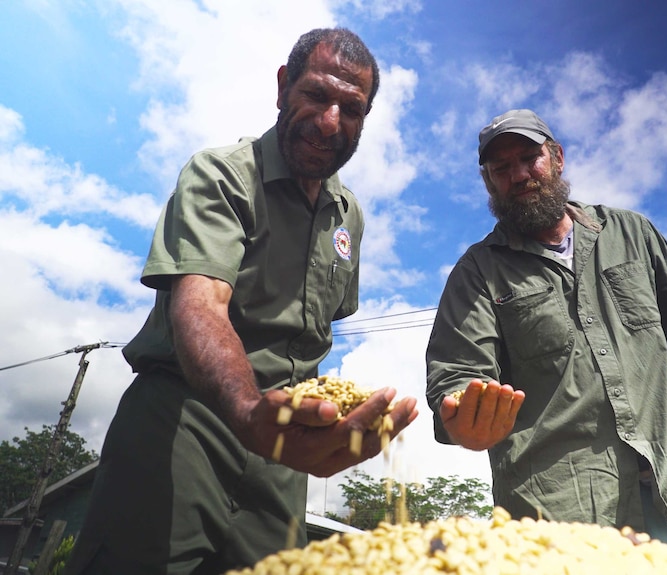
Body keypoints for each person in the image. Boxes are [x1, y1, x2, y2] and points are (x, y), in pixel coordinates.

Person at [65, 28, 418, 575]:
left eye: (351, 108)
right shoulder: (222, 174)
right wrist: (250, 411)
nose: (331, 122)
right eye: (317, 95)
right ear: (282, 87)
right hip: (187, 416)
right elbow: (200, 304)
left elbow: (314, 337)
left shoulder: (349, 215)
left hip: (284, 444)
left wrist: (325, 420)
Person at [425, 108, 667, 564]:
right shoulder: (479, 272)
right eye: (501, 168)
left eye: (530, 157)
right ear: (489, 182)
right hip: (555, 518)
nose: (519, 175)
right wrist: (464, 419)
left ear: (557, 158)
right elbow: (458, 374)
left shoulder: (632, 233)